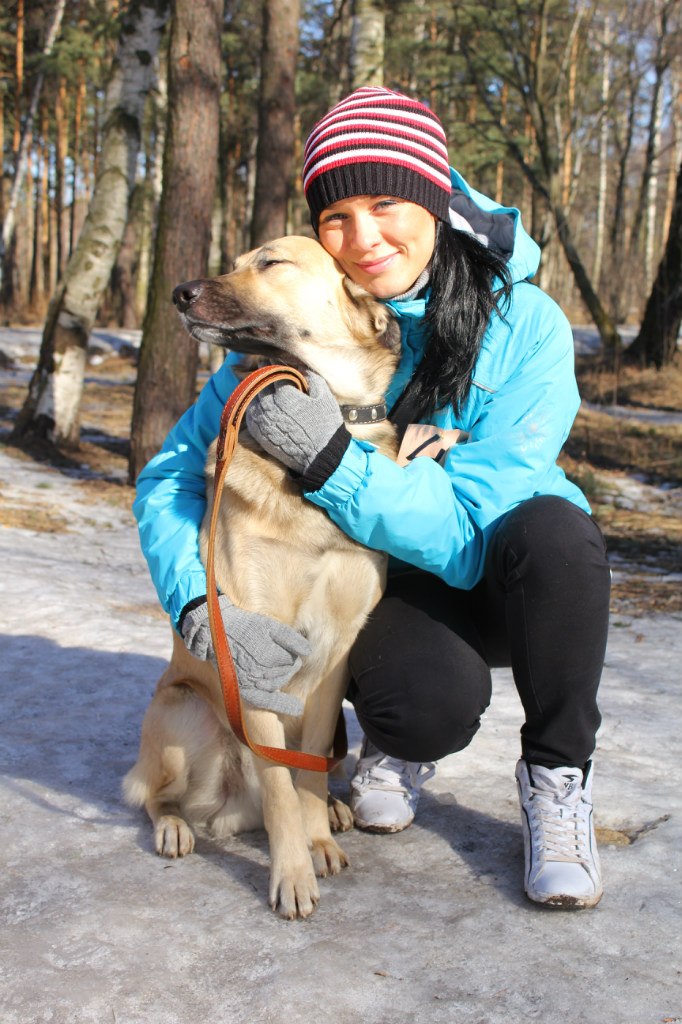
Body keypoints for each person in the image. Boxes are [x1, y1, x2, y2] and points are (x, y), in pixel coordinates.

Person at [134, 86, 611, 910]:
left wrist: (334, 462)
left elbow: (469, 526)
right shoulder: (279, 340)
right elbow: (168, 478)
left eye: (386, 202)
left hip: (499, 567)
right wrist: (195, 606)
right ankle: (392, 747)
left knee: (562, 537)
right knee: (419, 698)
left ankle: (558, 778)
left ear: (434, 198)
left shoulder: (525, 325)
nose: (363, 237)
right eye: (336, 217)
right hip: (398, 588)